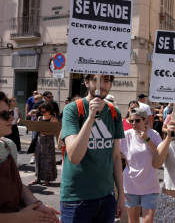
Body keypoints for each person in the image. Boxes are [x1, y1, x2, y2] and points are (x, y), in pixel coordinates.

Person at [60, 74, 126, 222]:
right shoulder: (72, 110)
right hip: (76, 199)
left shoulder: (114, 113)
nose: (101, 85)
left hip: (107, 198)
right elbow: (74, 157)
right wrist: (91, 118)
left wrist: (120, 195)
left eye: (106, 80)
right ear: (87, 82)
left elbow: (115, 157)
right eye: (95, 79)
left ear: (110, 85)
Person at [0, 91, 61, 222]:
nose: (11, 118)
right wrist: (19, 217)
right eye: (4, 115)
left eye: (10, 113)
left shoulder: (8, 145)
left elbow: (17, 185)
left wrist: (37, 205)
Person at [120, 108, 162, 223]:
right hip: (130, 184)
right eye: (131, 121)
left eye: (137, 120)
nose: (134, 124)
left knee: (148, 220)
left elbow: (160, 155)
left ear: (145, 121)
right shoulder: (126, 135)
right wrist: (126, 156)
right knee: (132, 219)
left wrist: (146, 139)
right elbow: (114, 152)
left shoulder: (154, 135)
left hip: (150, 185)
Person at [28, 102, 58, 186]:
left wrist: (47, 133)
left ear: (49, 111)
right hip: (39, 140)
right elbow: (37, 129)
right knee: (38, 158)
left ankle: (47, 178)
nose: (42, 113)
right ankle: (37, 178)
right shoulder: (40, 118)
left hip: (48, 141)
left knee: (48, 159)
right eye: (41, 111)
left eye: (44, 111)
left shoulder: (53, 119)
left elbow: (57, 131)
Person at [28, 94, 43, 165]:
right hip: (36, 123)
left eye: (35, 99)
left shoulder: (44, 105)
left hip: (44, 123)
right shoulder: (36, 105)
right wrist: (37, 113)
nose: (34, 101)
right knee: (35, 139)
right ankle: (33, 157)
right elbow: (30, 113)